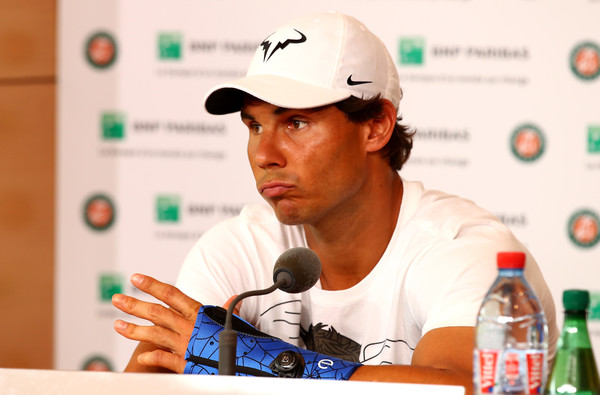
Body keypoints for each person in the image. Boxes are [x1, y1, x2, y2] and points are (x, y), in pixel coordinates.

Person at [112, 11, 559, 392]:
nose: (265, 155)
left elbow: (464, 387)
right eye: (254, 126)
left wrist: (264, 360)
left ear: (376, 126)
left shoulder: (463, 249)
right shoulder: (237, 248)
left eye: (297, 123)